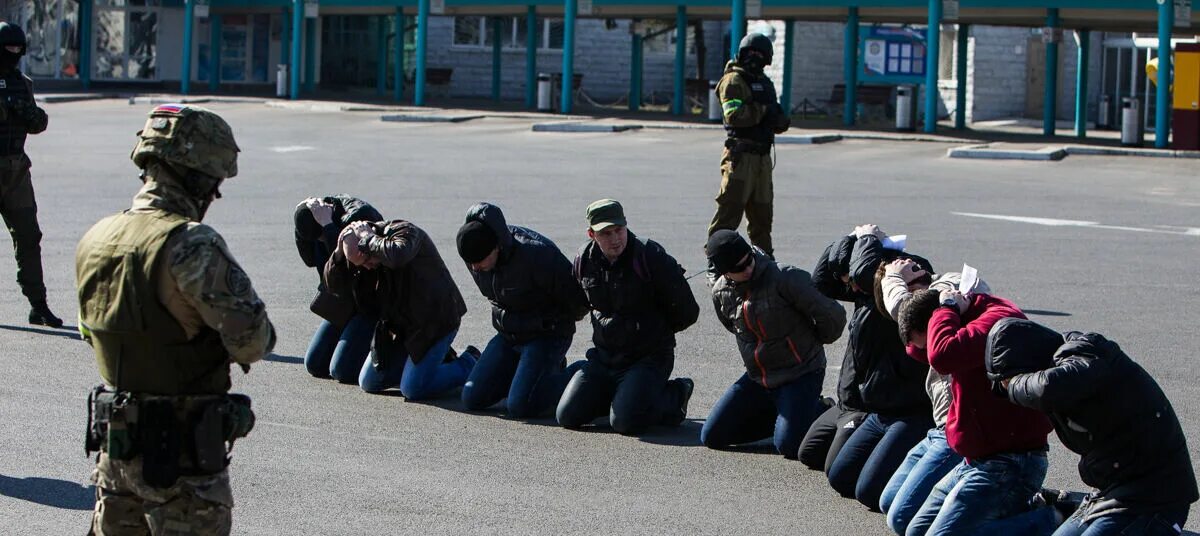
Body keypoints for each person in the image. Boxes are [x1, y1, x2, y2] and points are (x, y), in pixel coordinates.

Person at [77, 104, 275, 534]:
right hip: (182, 462)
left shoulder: (96, 237)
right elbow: (252, 342)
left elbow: (90, 332)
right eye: (215, 184)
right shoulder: (190, 244)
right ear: (199, 178)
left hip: (117, 456)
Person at [986, 318, 1198, 536]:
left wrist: (1014, 385)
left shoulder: (1085, 353)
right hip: (1110, 493)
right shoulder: (1060, 368)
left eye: (1010, 380)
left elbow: (1047, 388)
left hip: (1155, 498)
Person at [898, 288, 1055, 535]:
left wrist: (946, 307)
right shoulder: (960, 326)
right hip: (978, 460)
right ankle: (1022, 510)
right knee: (912, 528)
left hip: (1012, 462)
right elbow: (921, 350)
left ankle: (1053, 518)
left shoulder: (996, 320)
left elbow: (941, 356)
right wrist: (943, 313)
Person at [802, 225, 934, 512]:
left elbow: (863, 273)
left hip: (910, 413)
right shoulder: (866, 294)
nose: (849, 286)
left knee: (869, 491)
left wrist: (867, 238)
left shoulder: (908, 297)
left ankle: (926, 471)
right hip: (875, 407)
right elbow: (821, 281)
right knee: (838, 476)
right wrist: (850, 238)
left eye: (851, 278)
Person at [556, 199, 699, 435]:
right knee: (567, 416)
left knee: (625, 423)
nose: (615, 239)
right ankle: (625, 396)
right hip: (605, 358)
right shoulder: (584, 260)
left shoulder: (649, 255)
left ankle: (675, 394)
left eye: (619, 230)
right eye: (606, 233)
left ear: (626, 226)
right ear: (592, 234)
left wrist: (649, 332)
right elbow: (578, 305)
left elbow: (687, 312)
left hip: (648, 358)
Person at [700, 230, 846, 458]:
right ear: (725, 272)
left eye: (749, 260)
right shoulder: (721, 292)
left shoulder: (785, 277)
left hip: (800, 372)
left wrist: (814, 343)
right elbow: (733, 327)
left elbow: (833, 315)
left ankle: (822, 410)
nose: (748, 269)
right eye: (738, 268)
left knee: (788, 445)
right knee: (712, 436)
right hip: (760, 377)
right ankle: (787, 416)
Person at [876, 259, 990, 534]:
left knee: (904, 520)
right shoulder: (924, 315)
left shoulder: (952, 289)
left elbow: (906, 307)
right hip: (940, 427)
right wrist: (894, 278)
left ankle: (1032, 510)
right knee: (887, 501)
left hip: (961, 431)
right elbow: (904, 310)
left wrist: (894, 277)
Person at [457, 202, 589, 418]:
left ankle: (584, 372)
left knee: (521, 405)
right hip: (509, 331)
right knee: (473, 398)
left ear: (496, 247)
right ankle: (533, 376)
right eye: (470, 263)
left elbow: (578, 301)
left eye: (479, 262)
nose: (474, 268)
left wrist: (548, 323)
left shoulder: (537, 255)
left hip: (546, 335)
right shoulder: (472, 248)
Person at [324, 218, 476, 398]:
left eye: (367, 260)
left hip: (435, 322)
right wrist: (339, 253)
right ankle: (429, 365)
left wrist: (368, 239)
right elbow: (334, 287)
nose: (368, 266)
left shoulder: (404, 232)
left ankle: (470, 362)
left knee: (412, 389)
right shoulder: (361, 256)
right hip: (403, 328)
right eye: (361, 265)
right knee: (368, 382)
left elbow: (398, 255)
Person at [706, 33, 791, 257]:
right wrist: (763, 111)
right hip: (741, 157)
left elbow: (775, 120)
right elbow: (733, 115)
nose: (754, 58)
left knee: (762, 217)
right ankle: (716, 261)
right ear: (741, 54)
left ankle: (764, 265)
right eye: (750, 53)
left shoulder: (764, 83)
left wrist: (779, 118)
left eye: (759, 54)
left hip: (762, 159)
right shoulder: (733, 80)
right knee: (729, 213)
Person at [0, 22, 59, 327]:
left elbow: (38, 124)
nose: (13, 54)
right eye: (8, 49)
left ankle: (38, 305)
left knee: (28, 238)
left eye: (17, 49)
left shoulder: (22, 84)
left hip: (15, 171)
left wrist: (17, 107)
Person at [294, 195, 382, 383]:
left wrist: (327, 227)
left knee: (342, 371)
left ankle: (390, 351)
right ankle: (356, 340)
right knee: (315, 364)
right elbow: (309, 259)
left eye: (319, 237)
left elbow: (351, 265)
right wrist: (299, 218)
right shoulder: (313, 221)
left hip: (371, 305)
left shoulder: (359, 216)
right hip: (345, 302)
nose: (319, 241)